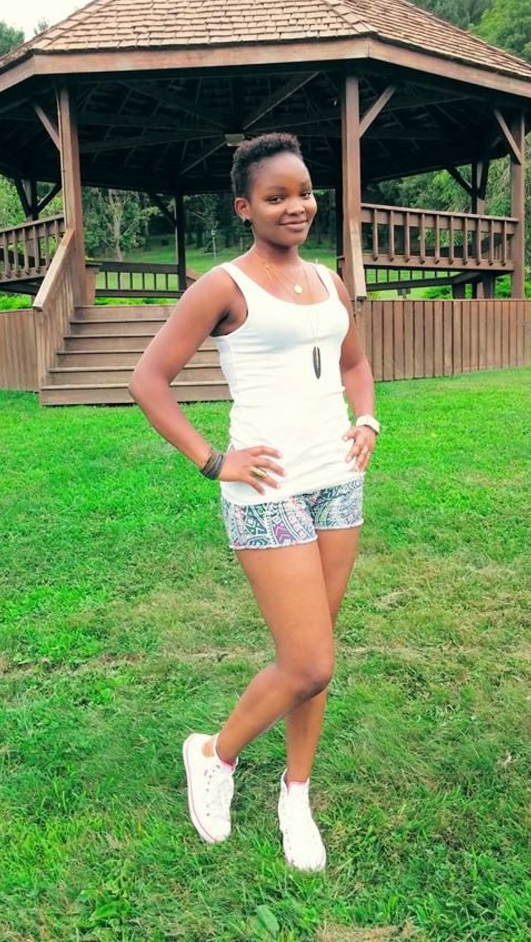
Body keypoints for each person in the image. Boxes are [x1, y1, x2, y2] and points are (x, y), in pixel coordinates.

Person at [129, 132, 378, 872]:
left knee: (317, 655)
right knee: (308, 660)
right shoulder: (224, 286)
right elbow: (148, 380)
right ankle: (214, 753)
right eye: (276, 197)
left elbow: (355, 362)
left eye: (304, 192)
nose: (296, 206)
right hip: (266, 487)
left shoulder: (330, 280)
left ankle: (296, 794)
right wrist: (214, 460)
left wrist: (367, 420)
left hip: (337, 479)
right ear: (245, 207)